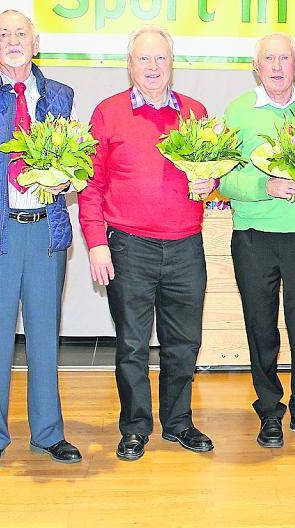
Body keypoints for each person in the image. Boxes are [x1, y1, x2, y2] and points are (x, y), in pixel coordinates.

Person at [0, 9, 81, 476]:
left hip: (45, 231)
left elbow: (78, 163)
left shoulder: (61, 96)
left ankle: (48, 432)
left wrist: (69, 180)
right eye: (3, 34)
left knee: (46, 338)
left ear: (36, 42)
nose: (12, 41)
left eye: (20, 33)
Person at [79, 25, 216, 461]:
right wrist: (96, 242)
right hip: (128, 247)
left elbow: (210, 174)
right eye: (143, 58)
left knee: (184, 343)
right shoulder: (107, 112)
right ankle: (135, 427)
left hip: (185, 246)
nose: (152, 66)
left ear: (172, 63)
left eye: (160, 58)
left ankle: (178, 423)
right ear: (130, 64)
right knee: (132, 345)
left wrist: (210, 183)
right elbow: (90, 184)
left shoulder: (195, 112)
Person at [219, 33, 295, 448]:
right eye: (269, 58)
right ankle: (269, 410)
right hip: (254, 236)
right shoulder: (237, 111)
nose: (277, 66)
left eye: (285, 58)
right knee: (261, 328)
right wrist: (265, 187)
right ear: (257, 66)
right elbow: (222, 179)